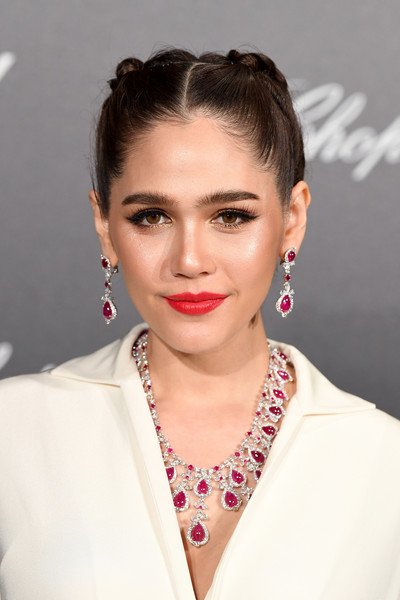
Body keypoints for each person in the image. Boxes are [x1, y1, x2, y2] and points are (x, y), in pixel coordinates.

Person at [0, 47, 399, 600]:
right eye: (151, 217)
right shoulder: (15, 430)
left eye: (231, 216)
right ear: (105, 225)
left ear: (292, 220)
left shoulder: (383, 460)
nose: (189, 260)